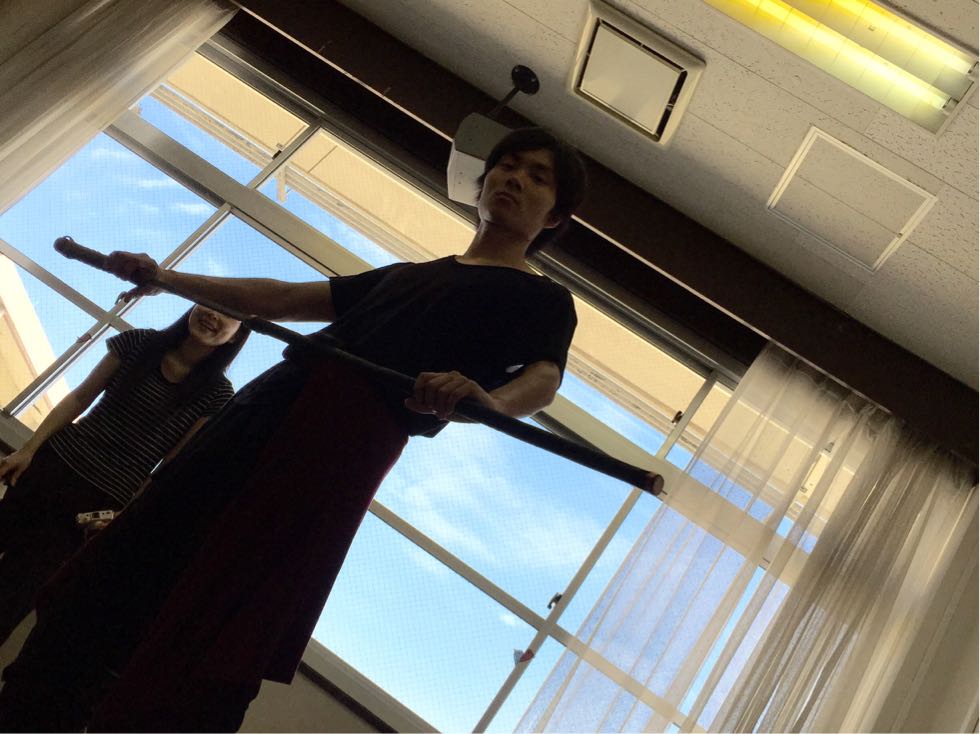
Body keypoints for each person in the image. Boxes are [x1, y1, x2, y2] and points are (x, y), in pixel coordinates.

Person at [0, 127, 587, 732]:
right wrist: (166, 278)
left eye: (537, 177)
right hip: (261, 409)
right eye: (508, 165)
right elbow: (279, 297)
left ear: (555, 215)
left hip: (337, 449)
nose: (514, 179)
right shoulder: (406, 275)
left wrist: (490, 402)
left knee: (228, 602)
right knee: (129, 561)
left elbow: (544, 379)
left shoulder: (544, 300)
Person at [0, 306, 248, 649]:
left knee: (15, 594)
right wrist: (28, 450)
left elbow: (170, 465)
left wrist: (124, 515)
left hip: (96, 504)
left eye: (228, 314)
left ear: (237, 336)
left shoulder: (218, 394)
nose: (214, 315)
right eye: (211, 304)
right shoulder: (138, 342)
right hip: (52, 467)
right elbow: (80, 397)